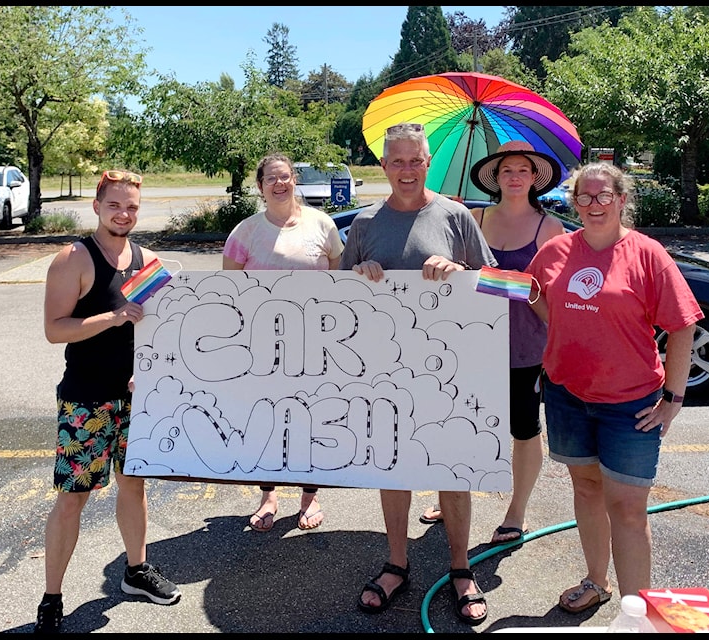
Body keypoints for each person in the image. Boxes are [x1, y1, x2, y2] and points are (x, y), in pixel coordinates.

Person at [524, 162, 703, 613]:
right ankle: (596, 581)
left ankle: (636, 612)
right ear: (574, 203)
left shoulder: (647, 254)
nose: (594, 205)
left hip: (630, 404)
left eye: (605, 196)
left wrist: (674, 400)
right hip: (567, 396)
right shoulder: (556, 251)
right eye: (584, 197)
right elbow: (533, 294)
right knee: (585, 489)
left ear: (622, 200)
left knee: (627, 508)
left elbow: (682, 327)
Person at [340, 122, 496, 626]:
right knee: (394, 467)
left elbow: (498, 287)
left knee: (454, 470)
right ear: (383, 167)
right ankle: (396, 563)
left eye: (416, 160)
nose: (407, 169)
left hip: (451, 371)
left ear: (428, 163)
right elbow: (335, 300)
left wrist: (461, 276)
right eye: (397, 161)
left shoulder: (456, 216)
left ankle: (460, 568)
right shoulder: (364, 225)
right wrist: (358, 279)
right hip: (384, 371)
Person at [35, 169, 182, 633]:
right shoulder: (73, 259)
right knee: (73, 499)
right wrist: (113, 317)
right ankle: (52, 598)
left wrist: (150, 373)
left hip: (136, 398)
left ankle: (136, 571)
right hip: (86, 399)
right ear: (97, 206)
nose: (124, 213)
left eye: (133, 206)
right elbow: (55, 329)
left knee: (133, 486)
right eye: (116, 205)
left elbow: (159, 332)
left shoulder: (148, 261)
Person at [418, 140, 566, 544]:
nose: (514, 177)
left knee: (523, 429)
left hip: (524, 347)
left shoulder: (549, 228)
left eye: (522, 170)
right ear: (495, 179)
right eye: (506, 171)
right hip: (469, 344)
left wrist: (491, 278)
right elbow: (446, 272)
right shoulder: (472, 217)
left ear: (534, 178)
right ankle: (449, 498)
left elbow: (548, 295)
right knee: (458, 424)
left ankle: (516, 511)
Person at [221, 152, 344, 533]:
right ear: (260, 187)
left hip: (315, 345)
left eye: (286, 177)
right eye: (271, 178)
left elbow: (339, 283)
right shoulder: (245, 232)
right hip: (263, 347)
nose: (280, 184)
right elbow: (228, 292)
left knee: (311, 420)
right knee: (267, 420)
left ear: (295, 181)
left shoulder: (322, 225)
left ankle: (310, 497)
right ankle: (269, 495)